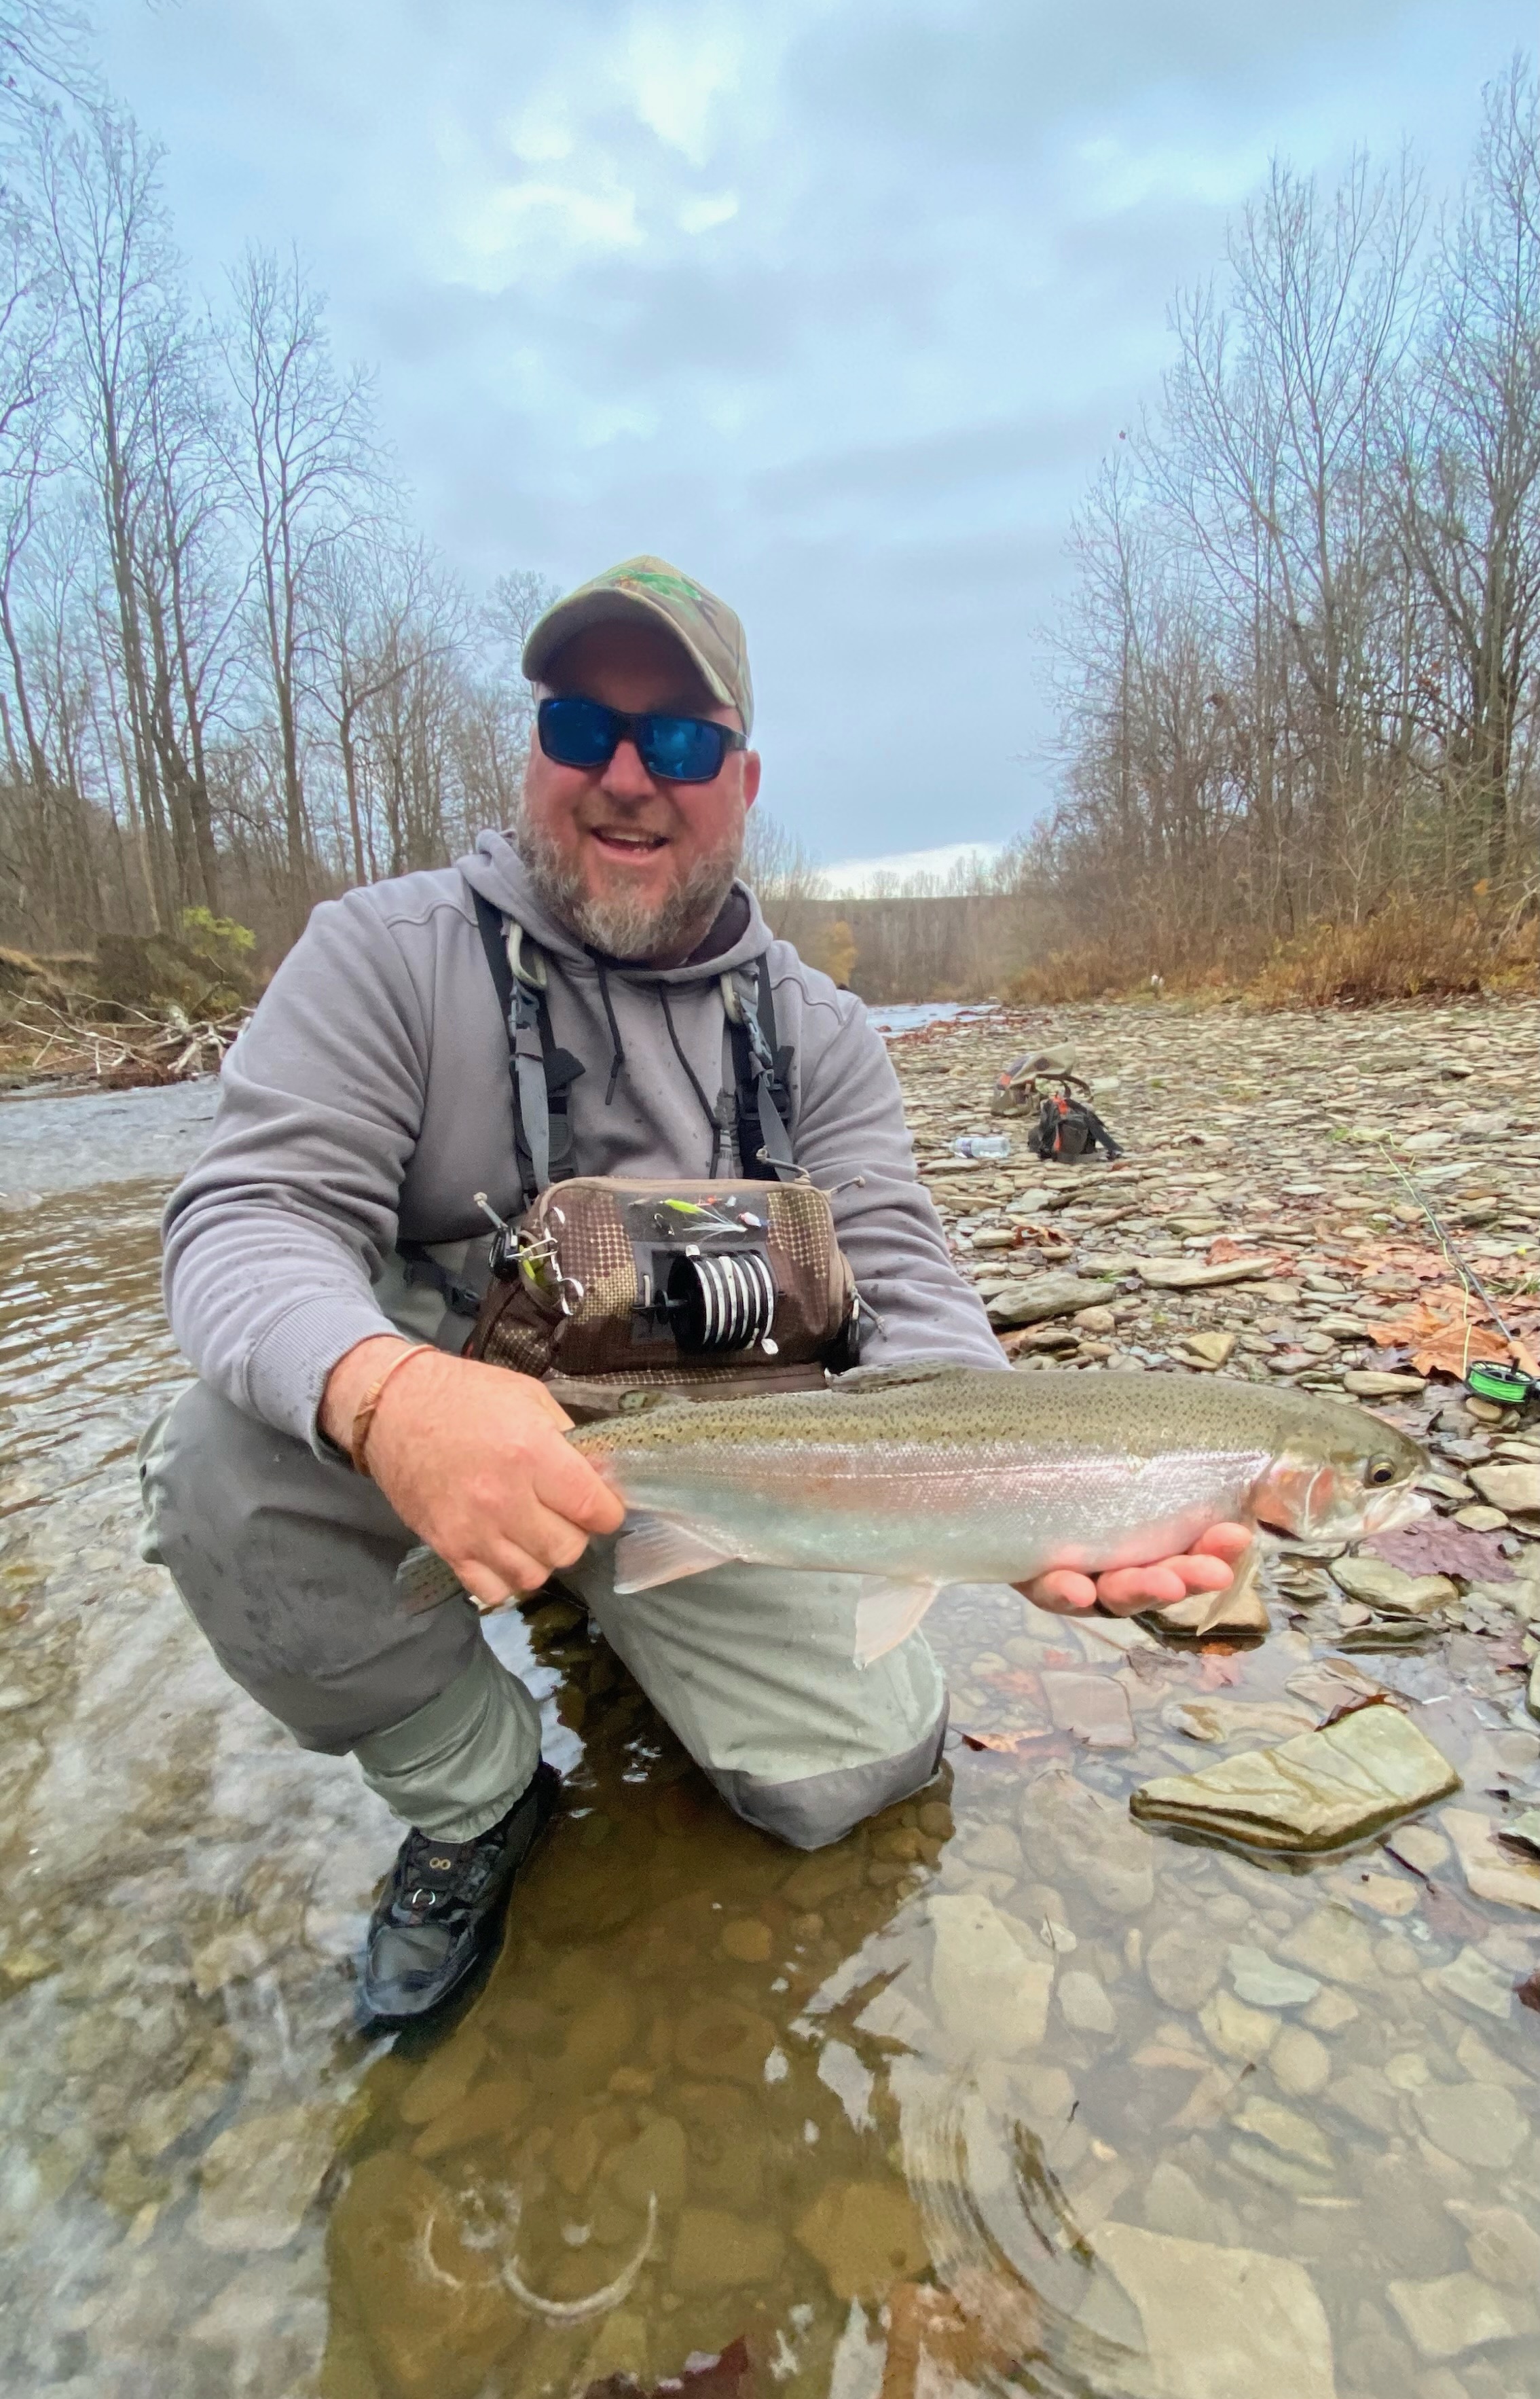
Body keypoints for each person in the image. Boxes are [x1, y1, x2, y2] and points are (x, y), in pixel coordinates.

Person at [142, 556, 1245, 2024]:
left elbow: (901, 1276)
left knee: (854, 1781)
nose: (626, 778)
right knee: (217, 1470)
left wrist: (1011, 1480)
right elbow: (247, 1219)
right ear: (533, 752)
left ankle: (611, 1607)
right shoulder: (383, 959)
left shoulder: (821, 1031)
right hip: (442, 1451)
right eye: (580, 728)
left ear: (742, 781)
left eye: (677, 741)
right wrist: (386, 1395)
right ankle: (476, 1792)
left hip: (728, 1476)